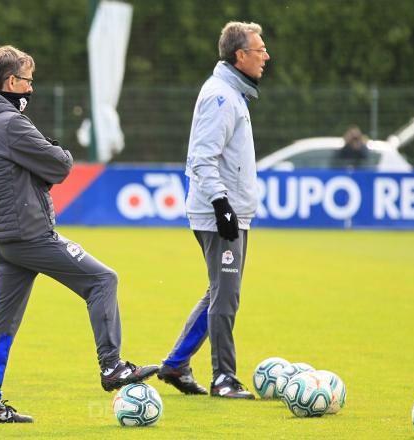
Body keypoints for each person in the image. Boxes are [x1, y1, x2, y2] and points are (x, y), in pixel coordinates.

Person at [0, 45, 158, 424]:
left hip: (2, 240)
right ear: (11, 82)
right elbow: (59, 164)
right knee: (103, 280)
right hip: (30, 234)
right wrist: (53, 153)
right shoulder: (10, 123)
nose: (31, 90)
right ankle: (112, 366)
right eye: (28, 82)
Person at [156, 22, 270, 399]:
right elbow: (201, 159)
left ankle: (176, 364)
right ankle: (224, 378)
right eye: (259, 49)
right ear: (240, 55)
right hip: (219, 213)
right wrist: (222, 205)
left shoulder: (231, 94)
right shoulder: (221, 97)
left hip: (231, 211)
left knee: (219, 293)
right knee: (225, 297)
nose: (265, 56)